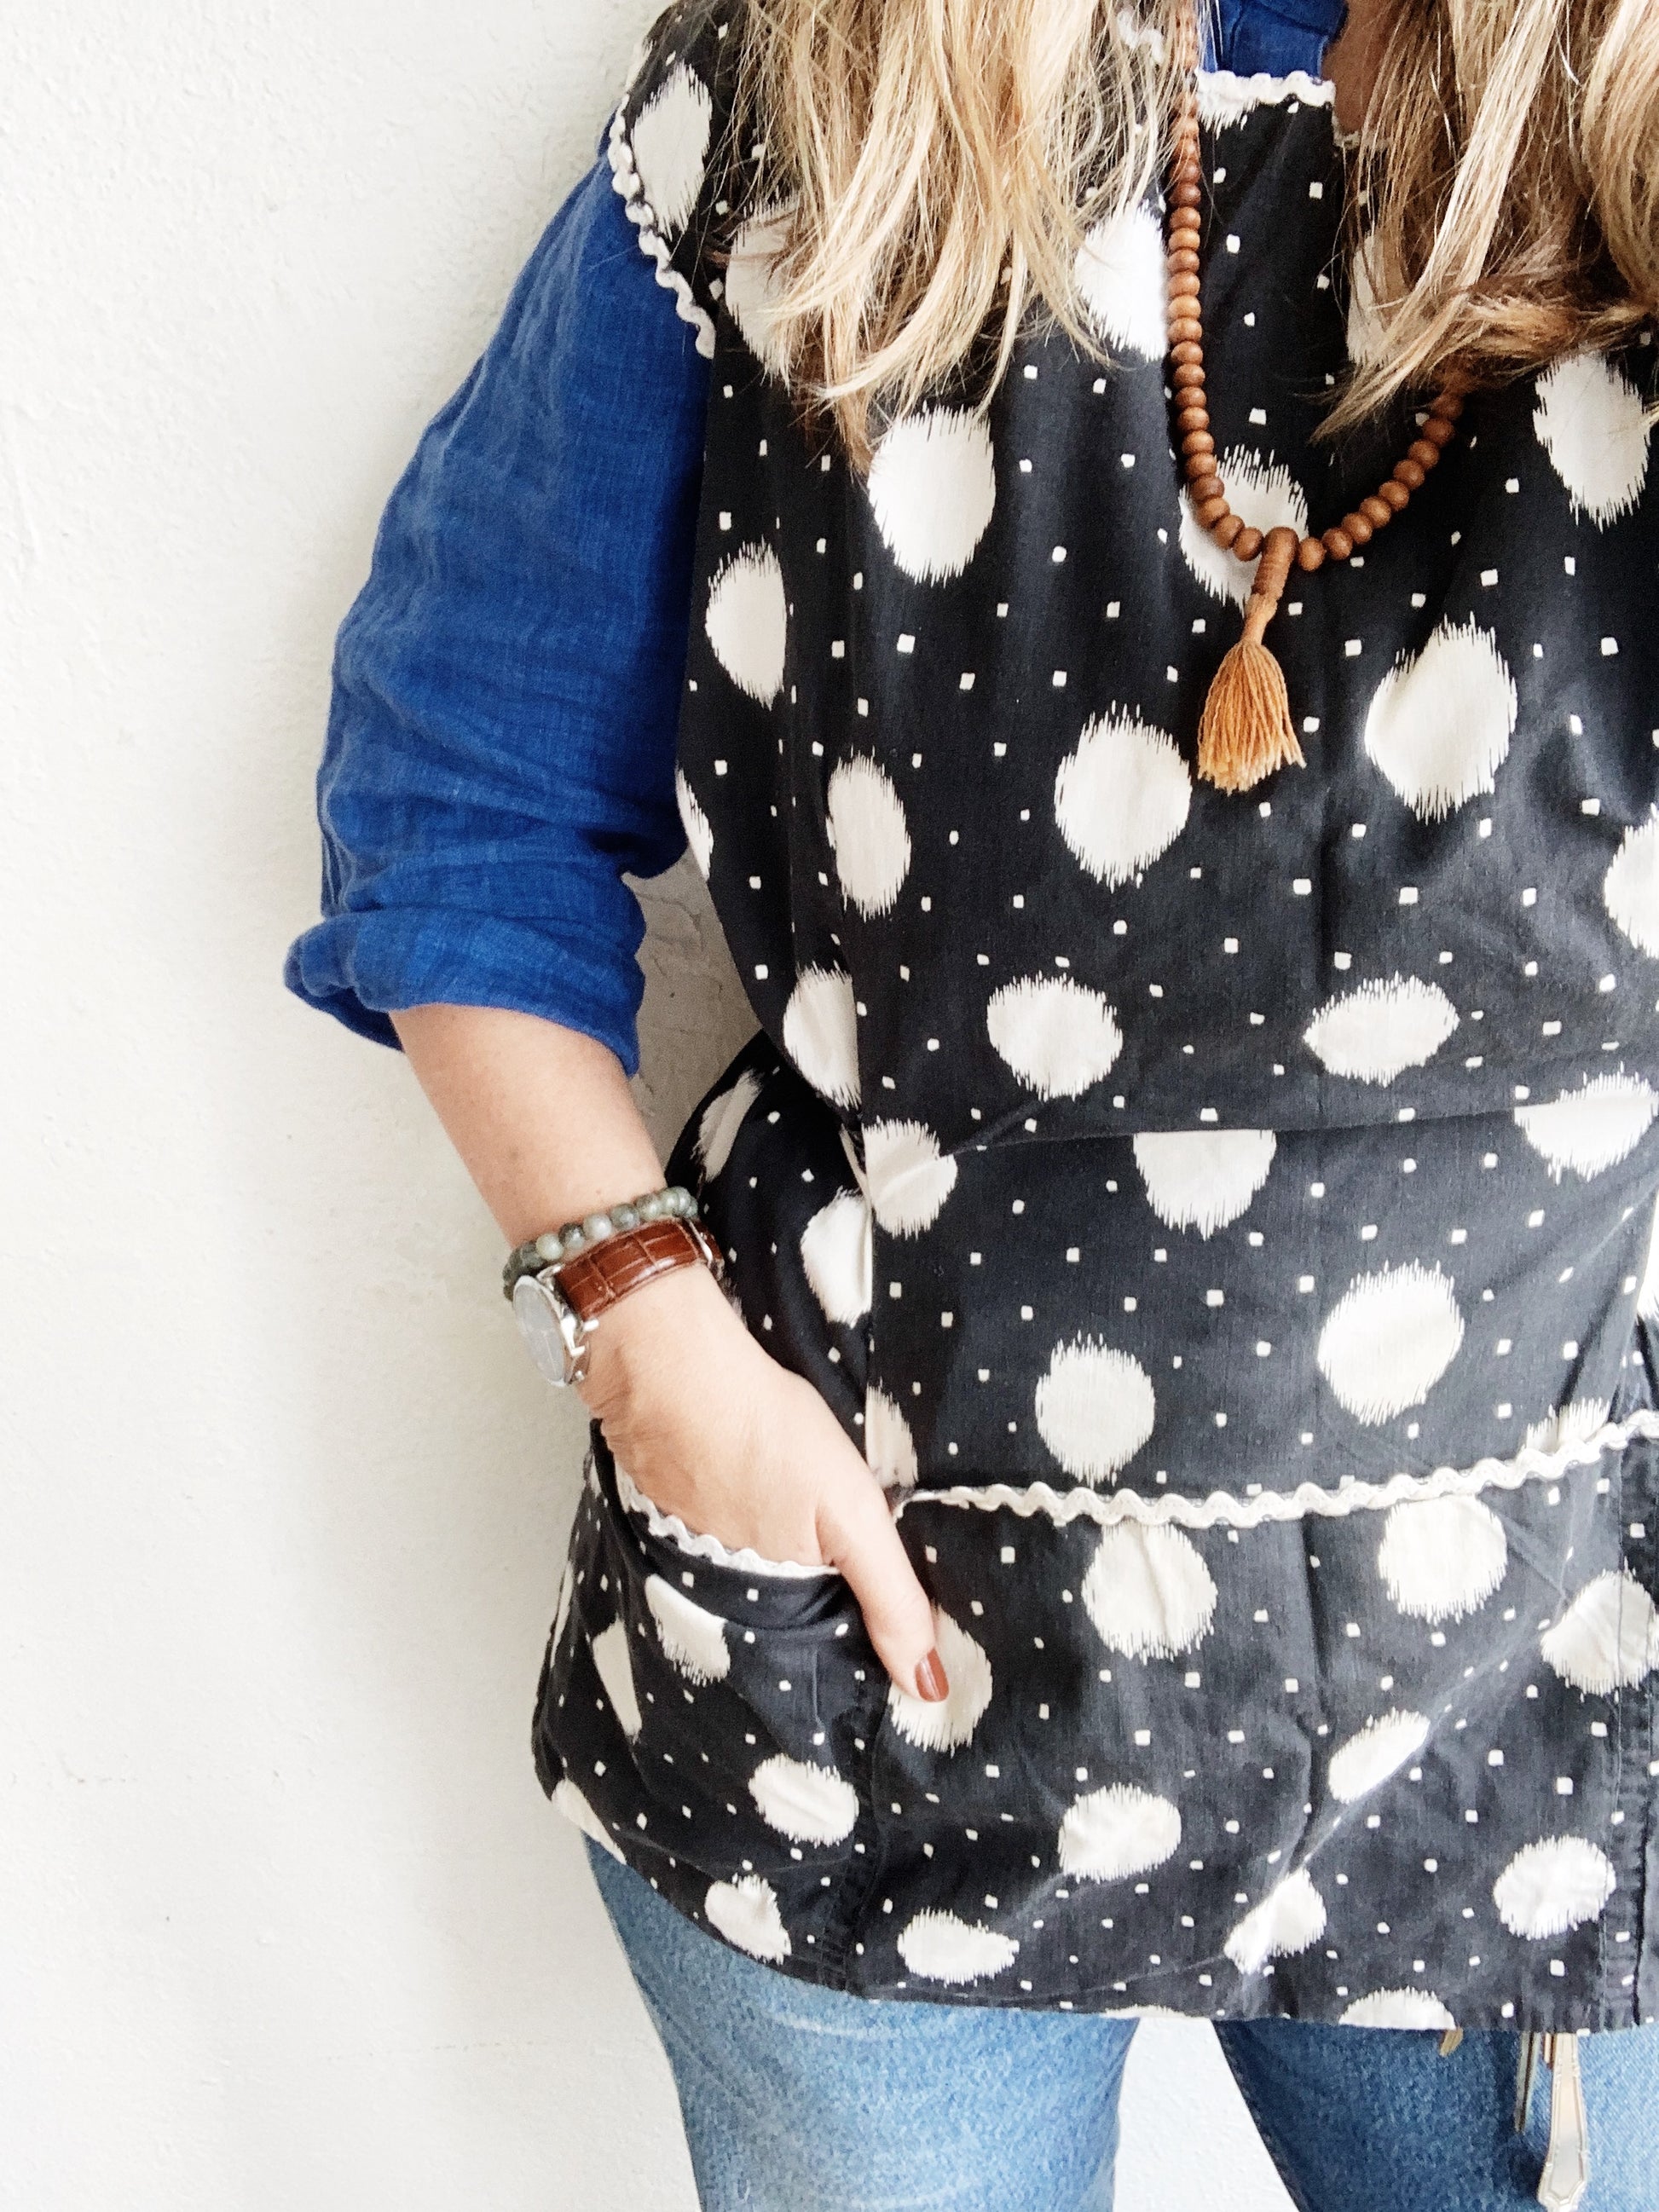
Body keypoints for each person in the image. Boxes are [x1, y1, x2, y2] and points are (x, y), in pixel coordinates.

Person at [286, 0, 1659, 2203]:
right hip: (872, 1646)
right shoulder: (793, 100)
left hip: (1550, 1665)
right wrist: (643, 1331)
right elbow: (464, 777)